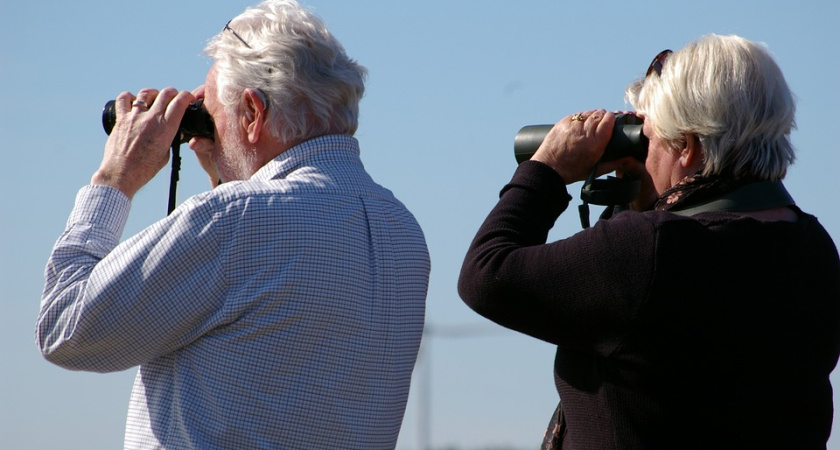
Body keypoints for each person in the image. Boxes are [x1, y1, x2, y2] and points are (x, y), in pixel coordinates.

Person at [36, 1, 430, 448]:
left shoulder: (235, 218)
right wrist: (227, 175)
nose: (207, 127)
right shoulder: (402, 232)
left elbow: (65, 327)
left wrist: (115, 179)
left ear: (252, 113)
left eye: (212, 112)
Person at [458, 34, 840, 449]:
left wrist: (545, 171)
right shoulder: (813, 248)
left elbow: (487, 275)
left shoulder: (653, 250)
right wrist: (641, 197)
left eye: (649, 137)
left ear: (687, 147)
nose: (644, 150)